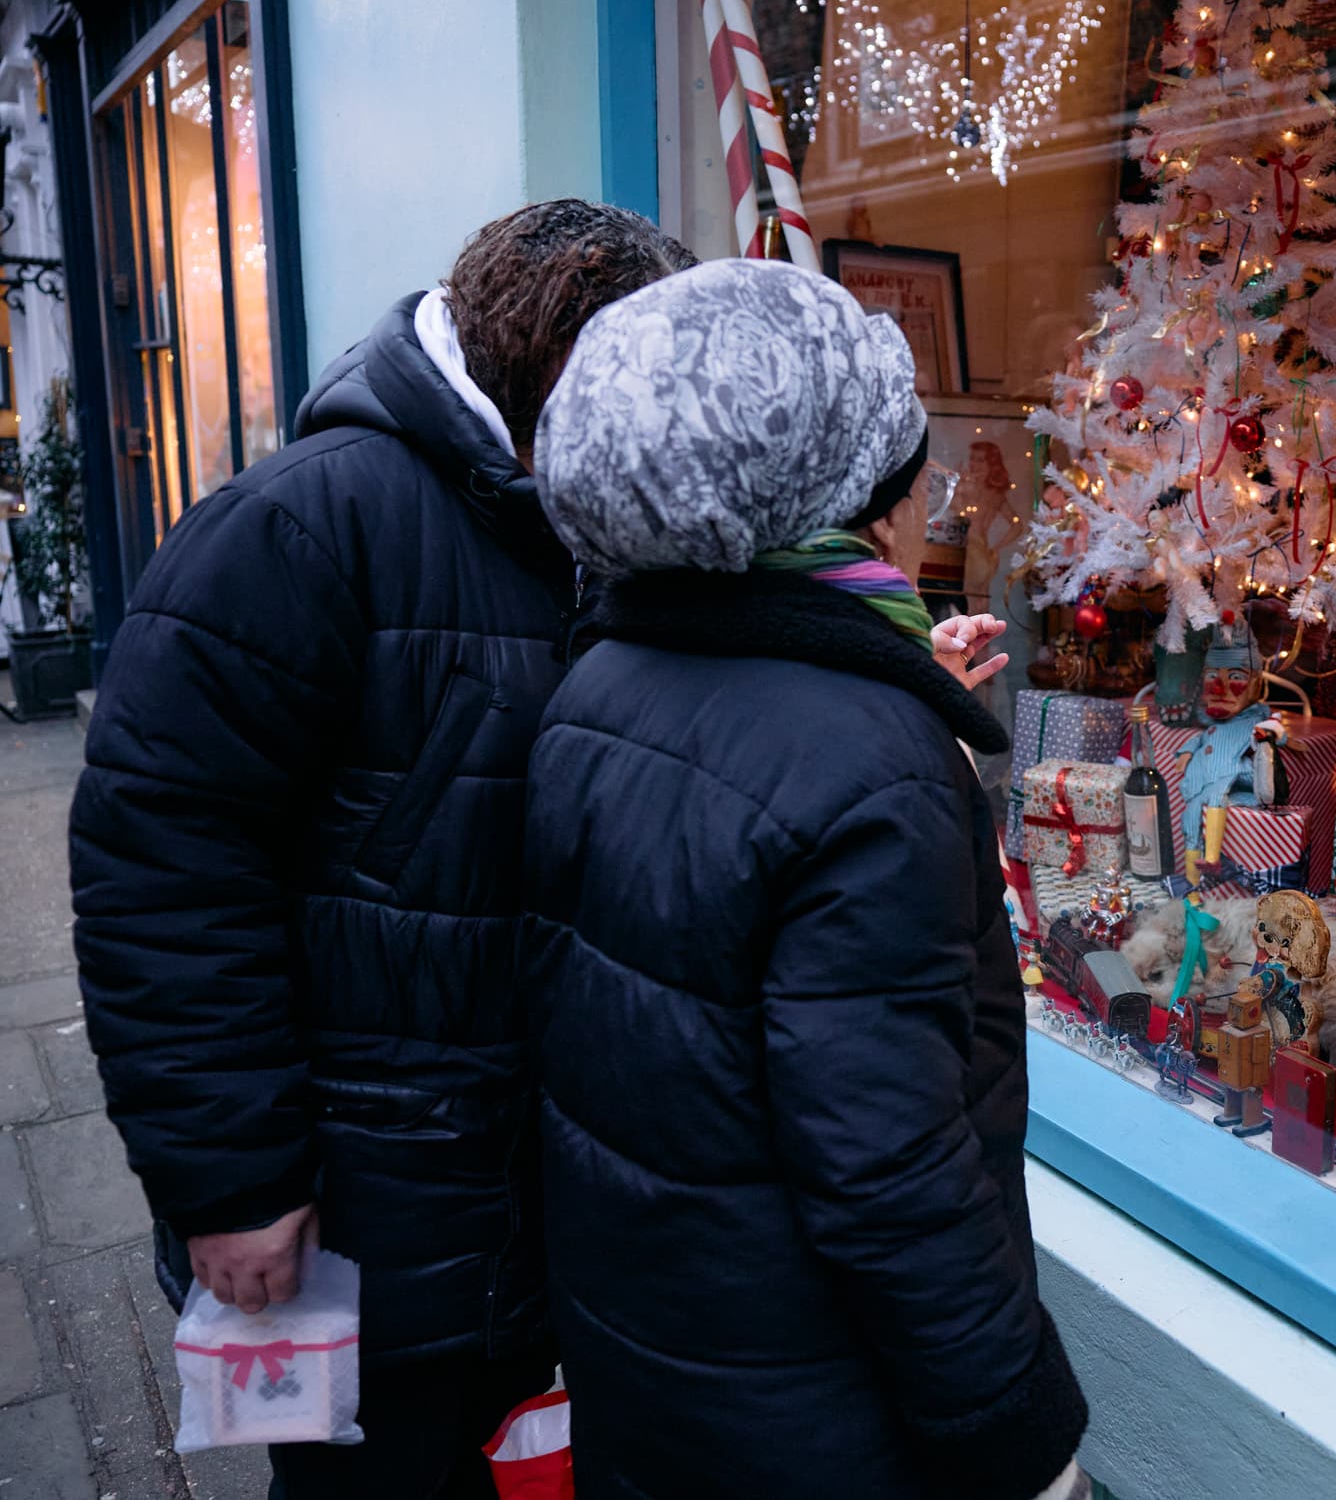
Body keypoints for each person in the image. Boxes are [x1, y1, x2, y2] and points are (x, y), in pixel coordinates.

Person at [68, 200, 695, 1497]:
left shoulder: (596, 527)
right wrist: (232, 1181)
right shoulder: (298, 531)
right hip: (367, 1217)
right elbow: (160, 877)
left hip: (538, 1208)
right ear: (562, 386)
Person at [523, 258, 1089, 1498]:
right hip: (811, 1407)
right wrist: (1020, 1432)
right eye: (921, 471)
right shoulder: (867, 761)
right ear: (862, 508)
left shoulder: (598, 683)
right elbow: (887, 1163)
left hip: (654, 1347)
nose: (934, 500)